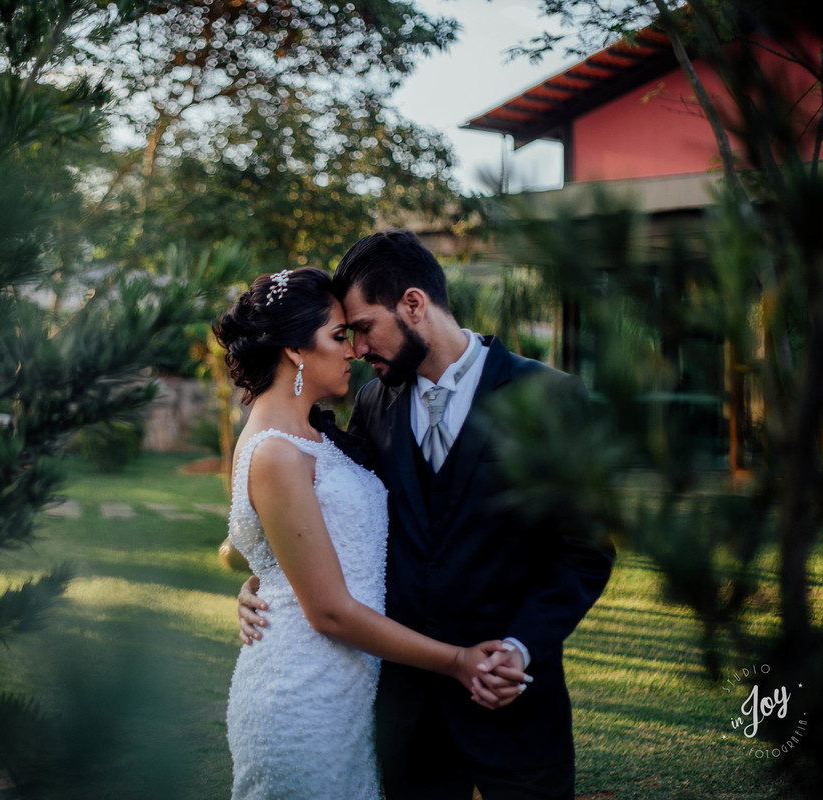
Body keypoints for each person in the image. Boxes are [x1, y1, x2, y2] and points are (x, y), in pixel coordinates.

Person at [237, 231, 616, 799]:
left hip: (514, 706)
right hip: (407, 718)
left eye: (364, 327)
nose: (357, 348)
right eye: (345, 333)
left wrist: (518, 649)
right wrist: (263, 581)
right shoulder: (372, 403)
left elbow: (585, 553)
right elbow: (323, 517)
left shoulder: (549, 397)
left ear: (414, 304)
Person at [215, 267, 531, 800]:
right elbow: (329, 611)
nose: (354, 351)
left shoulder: (312, 435)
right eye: (339, 336)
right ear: (294, 349)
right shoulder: (275, 452)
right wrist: (457, 660)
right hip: (301, 695)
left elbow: (256, 543)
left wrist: (261, 580)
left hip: (351, 695)